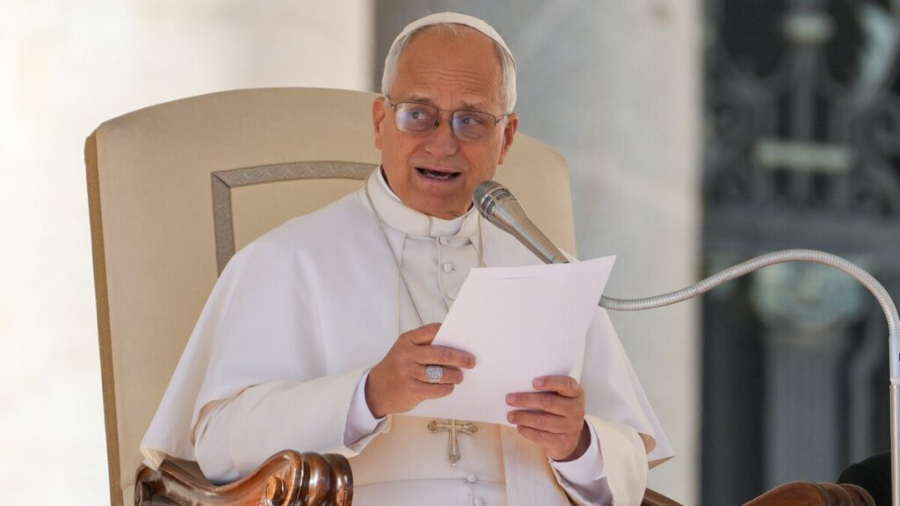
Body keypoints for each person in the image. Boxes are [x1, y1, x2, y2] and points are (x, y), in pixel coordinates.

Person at [141, 12, 673, 506]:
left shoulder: (552, 271)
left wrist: (577, 442)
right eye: (419, 115)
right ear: (381, 122)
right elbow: (218, 445)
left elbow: (629, 462)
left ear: (506, 138)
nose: (443, 144)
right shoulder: (287, 259)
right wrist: (368, 394)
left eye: (471, 121)